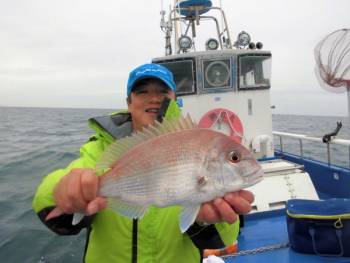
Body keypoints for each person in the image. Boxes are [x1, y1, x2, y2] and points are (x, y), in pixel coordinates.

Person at [32, 63, 254, 262]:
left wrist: (205, 222)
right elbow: (48, 194)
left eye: (162, 91)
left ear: (174, 98)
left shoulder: (195, 139)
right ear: (129, 102)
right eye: (142, 91)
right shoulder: (100, 150)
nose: (154, 98)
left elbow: (224, 240)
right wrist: (63, 191)